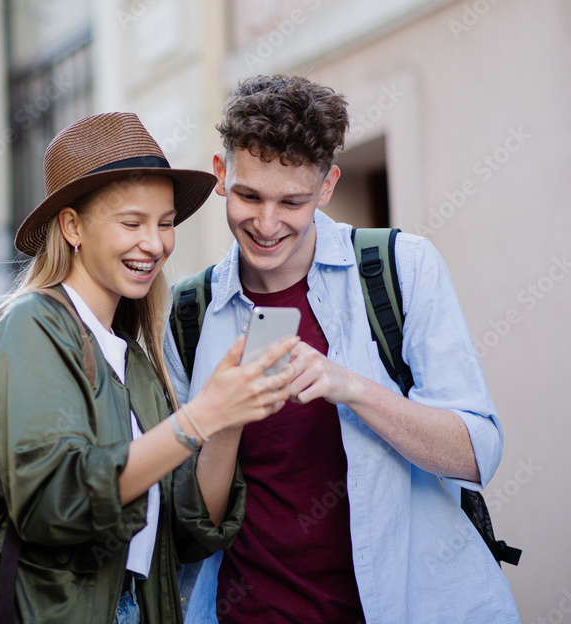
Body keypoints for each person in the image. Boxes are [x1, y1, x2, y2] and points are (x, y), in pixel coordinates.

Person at [0, 112, 300, 624]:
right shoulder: (33, 326)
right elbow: (53, 500)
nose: (155, 244)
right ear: (72, 226)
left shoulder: (133, 357)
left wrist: (226, 424)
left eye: (164, 224)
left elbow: (189, 533)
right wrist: (196, 419)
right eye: (132, 223)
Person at [169, 75, 520, 623]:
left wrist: (351, 387)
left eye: (292, 201)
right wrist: (226, 417)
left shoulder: (403, 266)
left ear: (328, 185)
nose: (265, 224)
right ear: (221, 174)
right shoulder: (186, 312)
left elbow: (478, 454)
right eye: (248, 195)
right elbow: (195, 525)